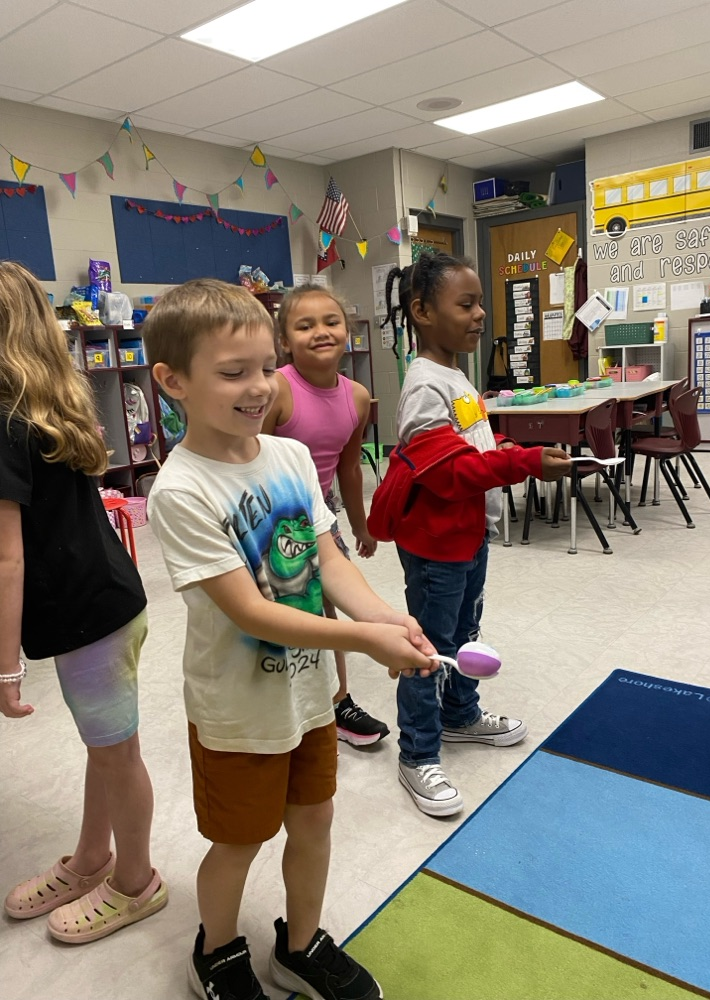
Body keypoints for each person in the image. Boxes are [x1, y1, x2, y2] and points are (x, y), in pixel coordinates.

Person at [143, 279, 437, 1000]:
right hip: (238, 710)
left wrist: (382, 617)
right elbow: (250, 611)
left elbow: (328, 559)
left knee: (314, 821)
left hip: (308, 695)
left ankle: (300, 945)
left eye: (264, 367)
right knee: (239, 840)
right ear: (172, 380)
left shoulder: (289, 458)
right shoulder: (181, 491)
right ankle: (215, 951)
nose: (257, 388)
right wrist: (368, 643)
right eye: (232, 372)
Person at [368, 251, 571, 818]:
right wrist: (524, 462)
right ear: (422, 311)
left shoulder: (454, 375)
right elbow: (450, 474)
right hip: (435, 546)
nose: (481, 314)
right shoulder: (422, 387)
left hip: (467, 536)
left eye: (480, 302)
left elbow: (470, 452)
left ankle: (459, 716)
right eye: (467, 304)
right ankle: (417, 754)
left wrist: (507, 453)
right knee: (426, 648)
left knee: (462, 633)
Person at [0, 261, 166, 943]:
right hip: (111, 599)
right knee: (106, 747)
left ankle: (137, 883)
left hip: (86, 614)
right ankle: (95, 857)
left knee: (117, 753)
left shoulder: (5, 419)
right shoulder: (52, 401)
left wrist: (5, 669)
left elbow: (6, 560)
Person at [262, 283, 388, 748]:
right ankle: (289, 699)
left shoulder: (356, 396)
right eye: (305, 324)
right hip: (270, 519)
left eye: (331, 321)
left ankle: (337, 703)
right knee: (279, 611)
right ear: (284, 340)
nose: (321, 332)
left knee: (327, 604)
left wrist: (361, 524)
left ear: (348, 331)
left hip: (321, 514)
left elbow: (350, 465)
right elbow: (248, 459)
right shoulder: (274, 389)